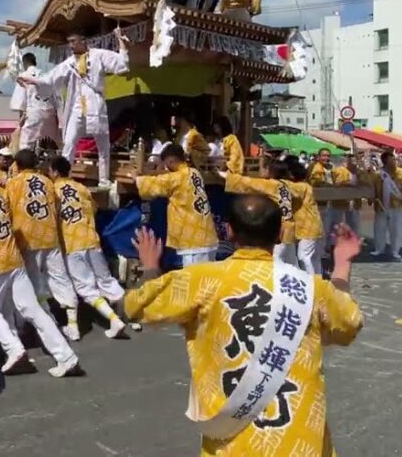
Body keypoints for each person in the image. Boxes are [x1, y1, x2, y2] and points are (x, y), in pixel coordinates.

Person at [124, 194, 363, 455]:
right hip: (300, 443)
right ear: (282, 233)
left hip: (232, 445)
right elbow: (348, 321)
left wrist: (150, 267)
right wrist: (342, 264)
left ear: (228, 229)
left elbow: (139, 305)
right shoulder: (310, 287)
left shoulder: (201, 280)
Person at [0, 161, 80, 379]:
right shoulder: (0, 193)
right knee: (31, 309)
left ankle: (15, 349)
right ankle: (66, 356)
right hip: (14, 257)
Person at [18, 28, 130, 187]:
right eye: (69, 42)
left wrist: (121, 41)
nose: (70, 45)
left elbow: (121, 63)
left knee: (103, 145)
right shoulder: (69, 63)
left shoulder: (98, 55)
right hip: (77, 106)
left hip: (95, 104)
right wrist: (34, 81)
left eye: (73, 41)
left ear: (83, 40)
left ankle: (103, 179)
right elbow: (51, 78)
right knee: (69, 143)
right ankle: (64, 177)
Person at [6, 149, 82, 339]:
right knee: (60, 278)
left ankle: (43, 323)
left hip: (26, 238)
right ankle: (73, 323)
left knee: (32, 283)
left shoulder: (13, 184)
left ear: (18, 165)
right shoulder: (48, 182)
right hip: (50, 235)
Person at [49, 156, 127, 338]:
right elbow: (93, 208)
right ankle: (132, 314)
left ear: (54, 172)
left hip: (71, 243)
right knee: (106, 280)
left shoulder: (52, 191)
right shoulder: (81, 188)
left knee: (86, 288)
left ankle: (114, 320)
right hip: (91, 239)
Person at [223, 157, 324, 274]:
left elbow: (249, 183)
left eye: (265, 168)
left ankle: (310, 282)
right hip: (290, 226)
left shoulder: (275, 185)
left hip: (287, 228)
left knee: (286, 258)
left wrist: (226, 176)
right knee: (293, 261)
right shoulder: (288, 185)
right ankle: (302, 279)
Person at [136, 143, 219, 266]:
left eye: (165, 165)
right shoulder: (194, 172)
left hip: (194, 242)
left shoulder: (177, 178)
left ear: (170, 161)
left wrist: (137, 178)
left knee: (194, 282)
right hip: (208, 238)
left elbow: (154, 184)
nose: (165, 169)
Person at [369, 150, 402, 261]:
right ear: (385, 162)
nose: (394, 162)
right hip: (381, 206)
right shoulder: (377, 175)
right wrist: (371, 199)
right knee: (379, 229)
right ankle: (379, 249)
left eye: (394, 160)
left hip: (397, 205)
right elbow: (372, 188)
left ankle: (395, 251)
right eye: (392, 160)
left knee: (396, 230)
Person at [10, 51, 60, 151]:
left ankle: (26, 164)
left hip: (34, 112)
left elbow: (20, 103)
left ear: (24, 63)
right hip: (50, 113)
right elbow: (56, 99)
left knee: (26, 143)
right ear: (35, 62)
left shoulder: (24, 76)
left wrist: (20, 123)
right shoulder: (46, 75)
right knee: (50, 142)